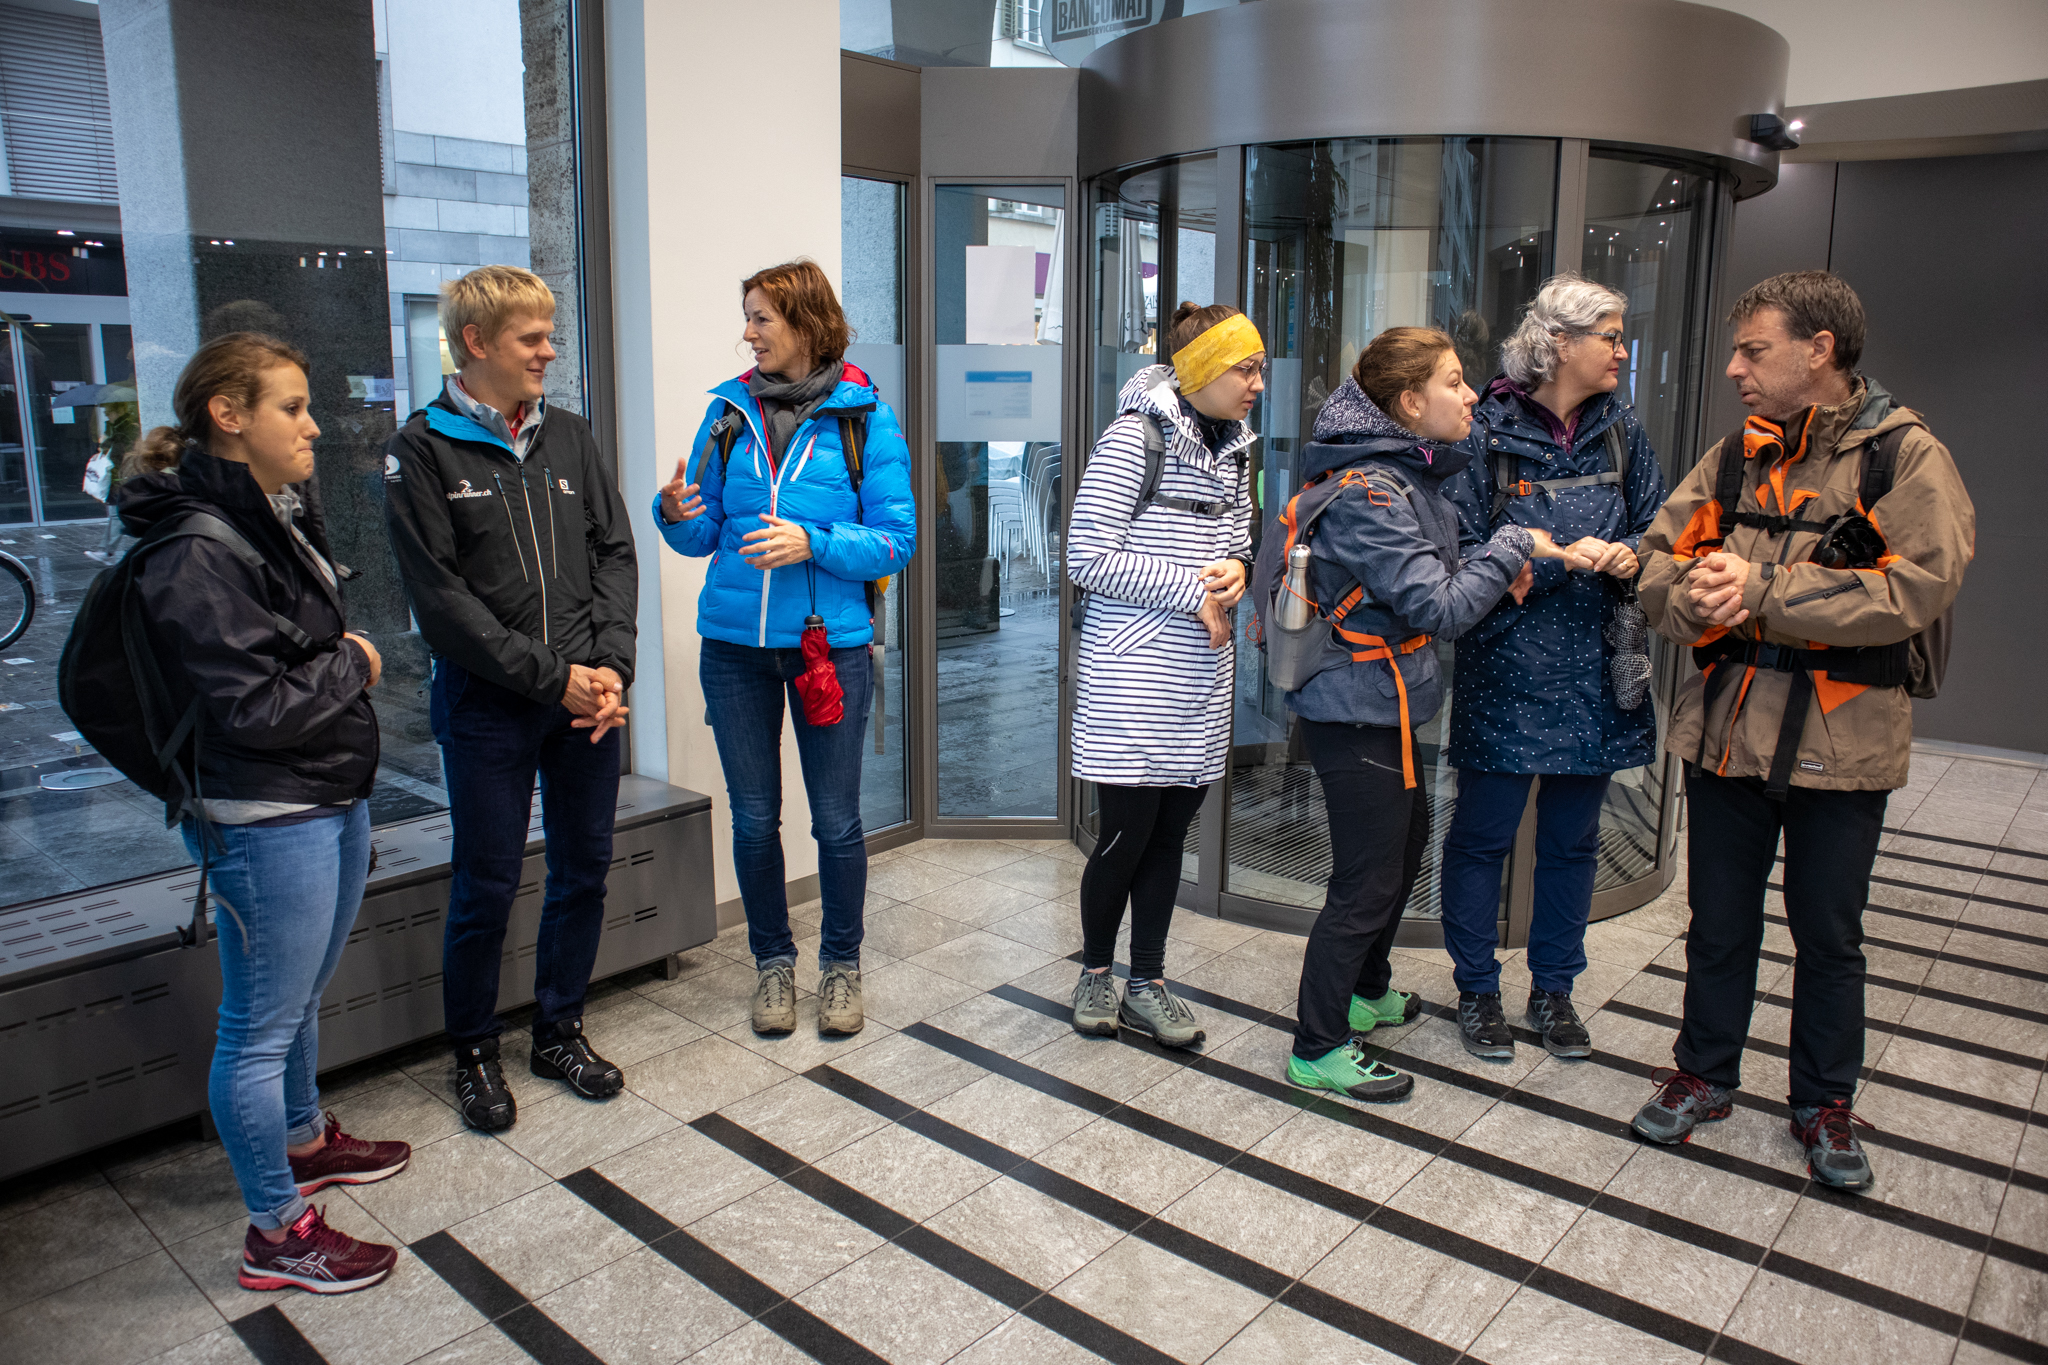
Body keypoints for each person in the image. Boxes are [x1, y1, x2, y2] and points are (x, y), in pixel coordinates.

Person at [1631, 271, 1973, 1191]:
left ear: (1818, 350)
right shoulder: (1735, 456)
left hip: (1845, 745)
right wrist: (1691, 593)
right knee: (1718, 924)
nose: (1735, 368)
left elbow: (1916, 588)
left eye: (1755, 349)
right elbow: (1655, 559)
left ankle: (1824, 1101)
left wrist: (1761, 591)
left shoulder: (1905, 458)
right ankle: (1704, 1073)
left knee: (1830, 936)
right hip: (1728, 734)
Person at [117, 333, 407, 1293]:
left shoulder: (271, 510)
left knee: (297, 996)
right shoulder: (194, 547)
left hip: (321, 789)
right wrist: (355, 663)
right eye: (292, 406)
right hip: (263, 809)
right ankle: (276, 1232)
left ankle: (300, 1138)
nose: (315, 424)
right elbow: (252, 703)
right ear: (229, 416)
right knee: (259, 1021)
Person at [1280, 327, 1582, 1102]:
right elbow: (1439, 606)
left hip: (1383, 702)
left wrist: (1493, 565)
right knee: (1366, 879)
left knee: (1404, 846)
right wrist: (1512, 546)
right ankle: (1317, 1043)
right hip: (1354, 709)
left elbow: (1437, 581)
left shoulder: (1402, 475)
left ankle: (1364, 989)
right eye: (1455, 382)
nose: (1472, 395)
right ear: (1411, 403)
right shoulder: (1374, 492)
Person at [383, 265, 639, 1131]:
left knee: (583, 869)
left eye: (551, 333)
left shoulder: (569, 434)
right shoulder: (421, 449)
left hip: (583, 697)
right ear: (476, 343)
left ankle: (559, 1028)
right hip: (489, 703)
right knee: (486, 882)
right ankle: (476, 1052)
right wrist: (552, 675)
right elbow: (442, 604)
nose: (549, 350)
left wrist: (611, 668)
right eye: (532, 337)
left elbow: (613, 551)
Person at [655, 260, 915, 1038]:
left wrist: (815, 541)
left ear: (805, 322)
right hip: (733, 648)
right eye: (748, 317)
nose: (748, 332)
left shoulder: (865, 419)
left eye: (762, 317)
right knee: (752, 818)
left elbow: (896, 540)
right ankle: (772, 963)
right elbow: (702, 535)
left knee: (835, 821)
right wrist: (672, 512)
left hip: (825, 649)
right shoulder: (728, 413)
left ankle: (841, 966)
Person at [1438, 275, 1668, 1061]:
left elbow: (1659, 528)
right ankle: (1475, 988)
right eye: (1609, 332)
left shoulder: (1621, 430)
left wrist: (1630, 551)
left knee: (1574, 841)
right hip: (1506, 664)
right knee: (1482, 837)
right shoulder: (1485, 430)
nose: (1620, 348)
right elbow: (1458, 546)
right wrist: (1550, 554)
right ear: (1560, 342)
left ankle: (1554, 990)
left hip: (1598, 667)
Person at [1066, 301, 1260, 1047]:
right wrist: (1193, 590)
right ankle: (1095, 973)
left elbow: (1239, 537)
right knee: (1126, 834)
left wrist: (1237, 572)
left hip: (1200, 677)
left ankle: (1147, 981)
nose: (1256, 384)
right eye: (1244, 368)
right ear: (1204, 367)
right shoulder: (1133, 439)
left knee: (1171, 835)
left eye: (1258, 369)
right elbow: (1086, 556)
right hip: (1133, 678)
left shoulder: (1236, 448)